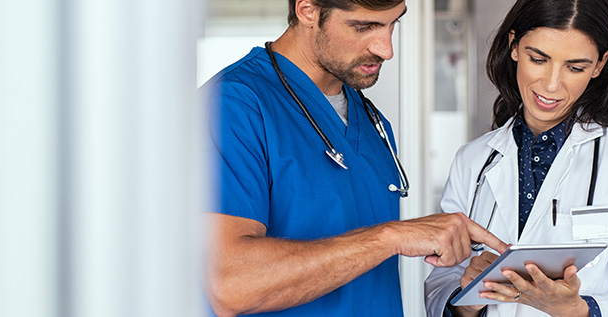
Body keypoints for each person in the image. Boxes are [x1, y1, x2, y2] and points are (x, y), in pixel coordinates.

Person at [200, 0, 508, 316]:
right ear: (307, 10)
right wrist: (391, 237)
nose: (386, 49)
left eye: (393, 24)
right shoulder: (232, 105)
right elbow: (230, 285)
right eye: (363, 27)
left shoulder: (373, 122)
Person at [424, 0, 608, 316]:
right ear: (513, 46)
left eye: (575, 67)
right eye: (538, 59)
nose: (551, 85)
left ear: (599, 65)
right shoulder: (473, 161)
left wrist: (578, 310)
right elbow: (439, 289)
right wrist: (466, 299)